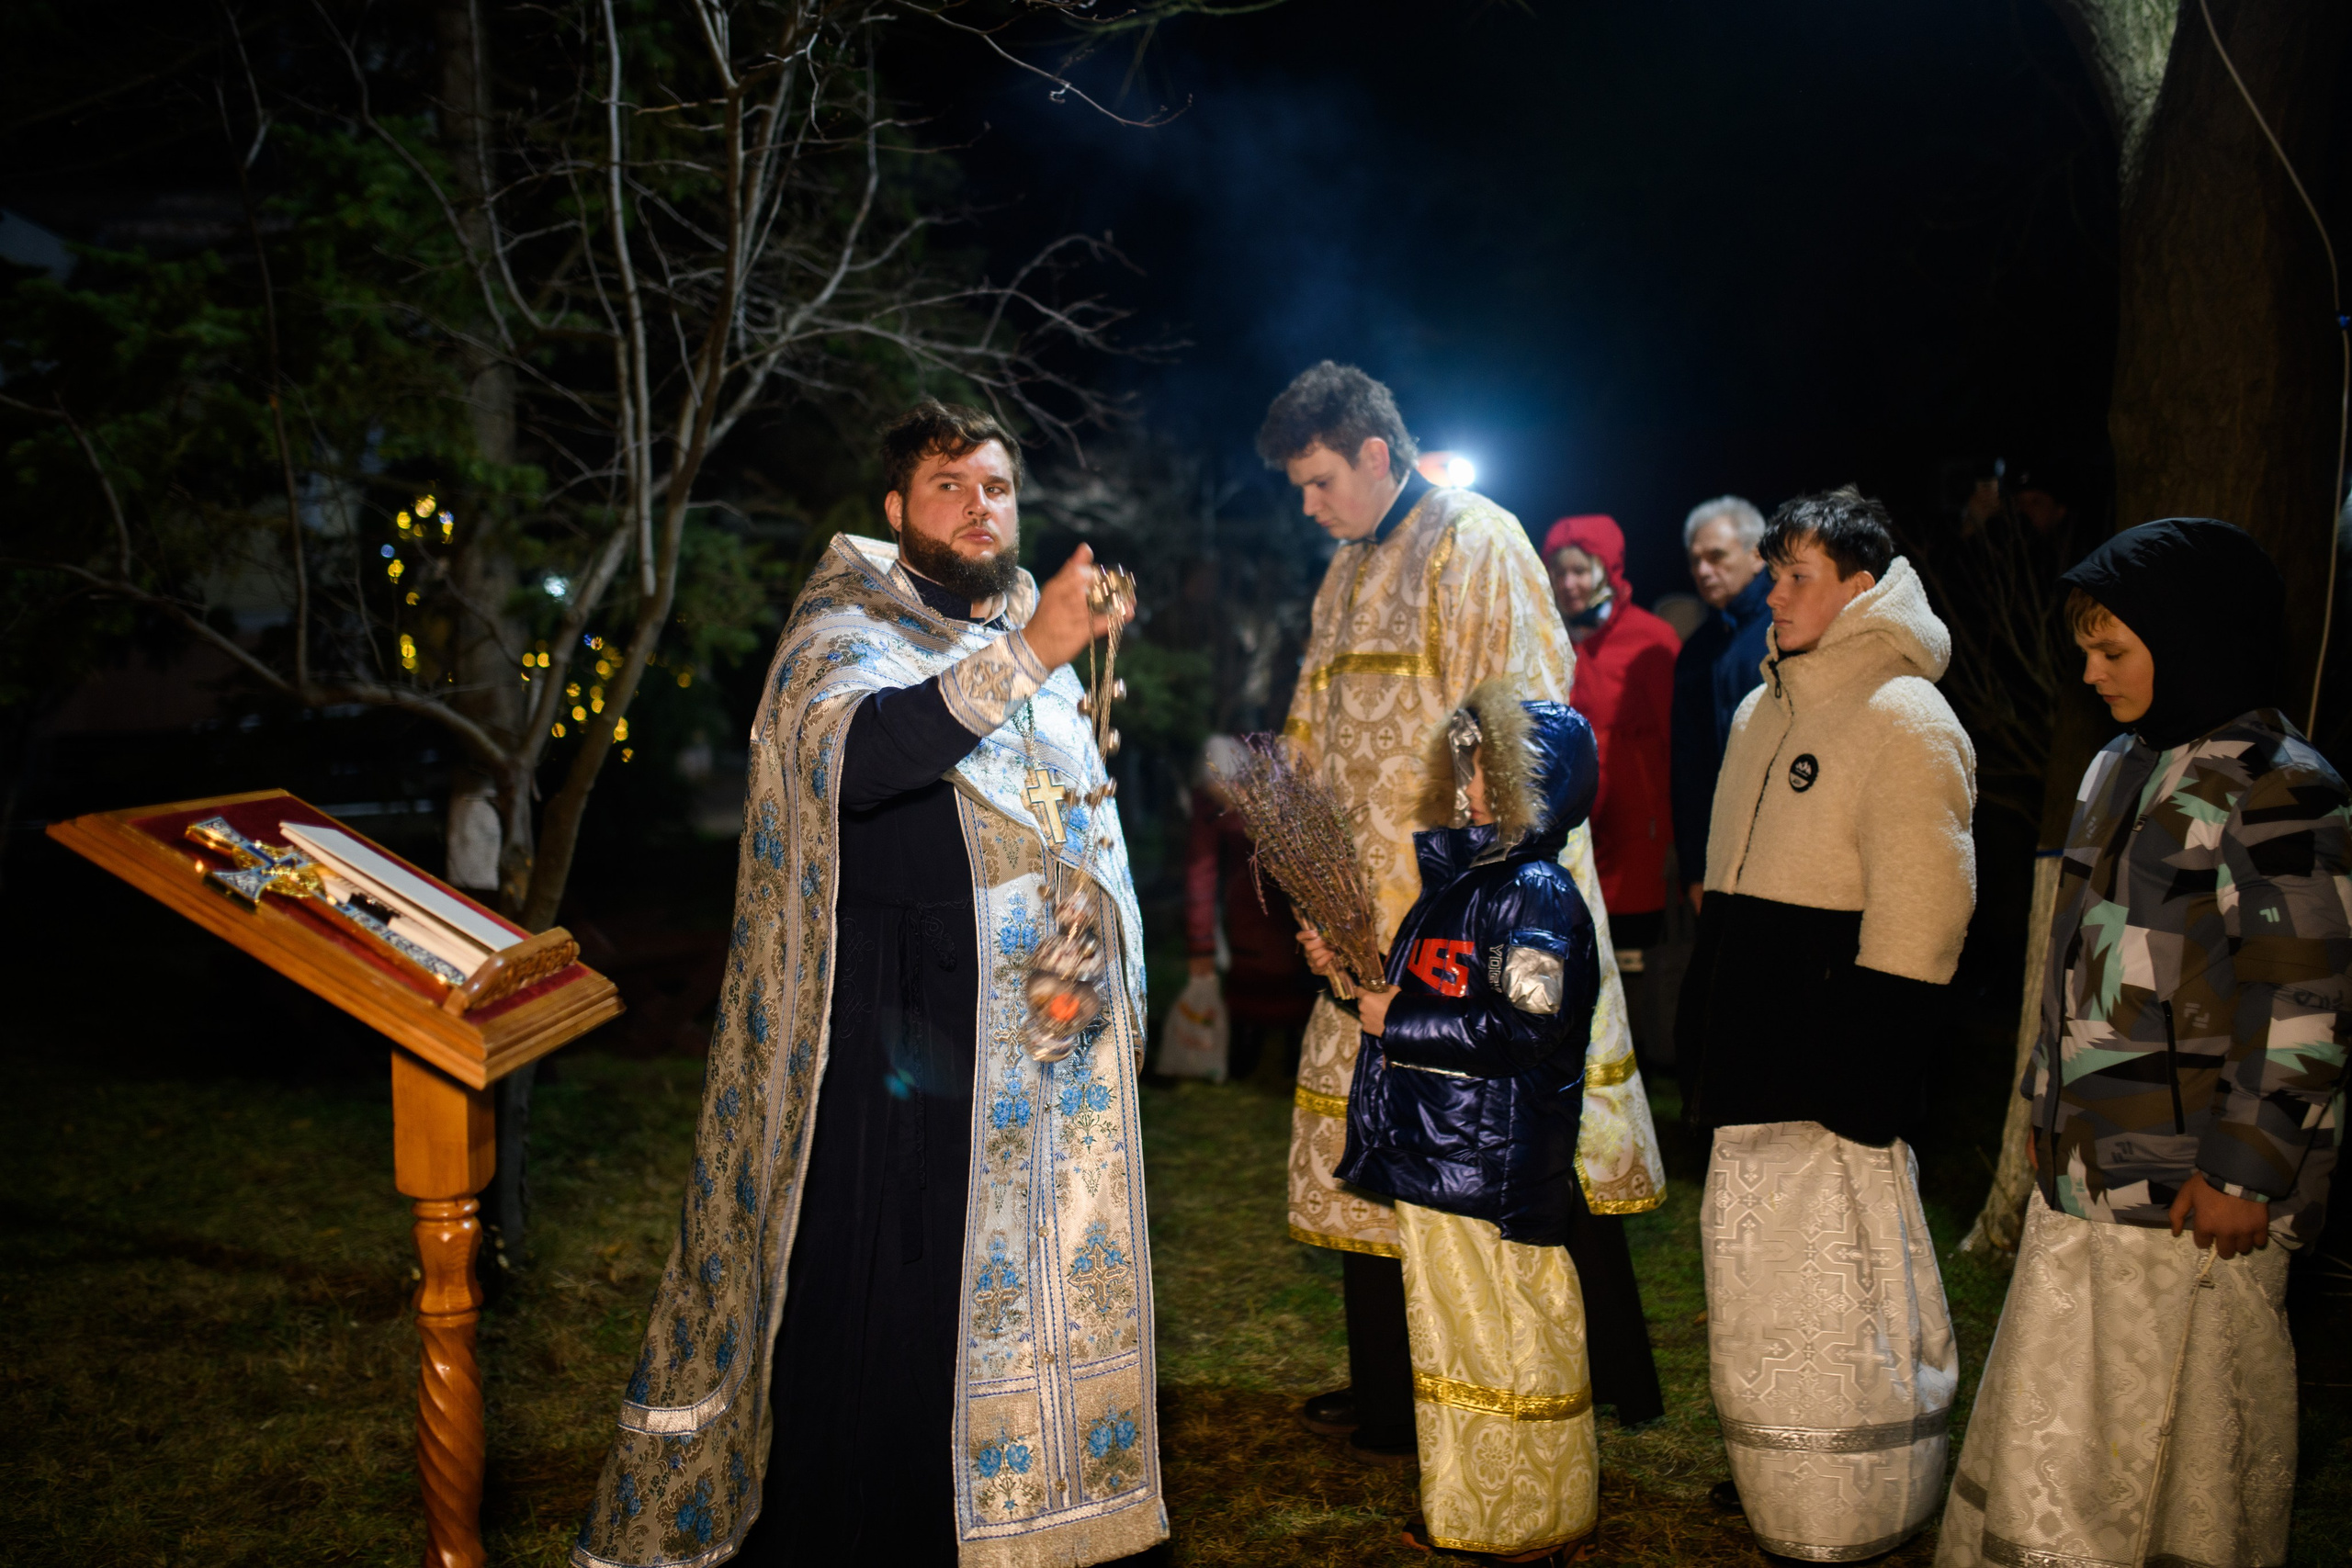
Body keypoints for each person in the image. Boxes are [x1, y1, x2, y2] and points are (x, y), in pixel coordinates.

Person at [572, 400, 1164, 1568]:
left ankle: (1019, 1517)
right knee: (894, 1296)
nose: (978, 506)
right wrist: (1034, 649)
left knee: (1019, 1296)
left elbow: (1075, 821)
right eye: (949, 486)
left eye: (995, 485)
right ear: (895, 511)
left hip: (1037, 1047)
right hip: (898, 1032)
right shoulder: (846, 629)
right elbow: (864, 762)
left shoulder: (1019, 626)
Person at [1259, 361, 1667, 1464]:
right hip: (1358, 922)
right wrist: (1306, 874)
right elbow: (1309, 731)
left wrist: (1469, 899)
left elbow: (1525, 728)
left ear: (1377, 455)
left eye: (1317, 480)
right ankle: (1393, 1395)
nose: (1309, 504)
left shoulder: (1473, 542)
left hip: (1455, 922)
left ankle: (1586, 1374)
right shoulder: (1344, 571)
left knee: (1507, 1151)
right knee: (1383, 1148)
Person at [1937, 519, 2349, 1568]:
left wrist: (2246, 1174)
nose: (2088, 672)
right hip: (2087, 1170)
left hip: (2192, 1200)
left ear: (2196, 639)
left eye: (2112, 650)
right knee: (2067, 1436)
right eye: (2085, 648)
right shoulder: (2118, 764)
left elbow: (2301, 1000)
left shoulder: (2282, 785)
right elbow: (2069, 963)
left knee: (2172, 1435)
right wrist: (2042, 1108)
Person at [1676, 486, 1976, 1562]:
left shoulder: (1903, 714)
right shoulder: (1765, 706)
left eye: (1799, 575)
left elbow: (1925, 908)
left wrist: (1874, 1066)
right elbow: (1732, 880)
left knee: (1835, 1284)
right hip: (1752, 1048)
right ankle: (1776, 1464)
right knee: (1758, 1284)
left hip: (1830, 1058)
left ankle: (1854, 1487)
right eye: (1773, 574)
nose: (1775, 594)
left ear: (1863, 585)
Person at [1313, 682, 1604, 1564]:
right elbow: (1423, 995)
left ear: (1533, 789)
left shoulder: (1538, 895)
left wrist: (1391, 1018)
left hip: (1494, 1164)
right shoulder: (1464, 887)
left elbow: (1526, 1025)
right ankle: (1475, 1503)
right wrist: (1350, 980)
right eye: (1469, 770)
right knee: (1454, 1345)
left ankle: (1528, 1516)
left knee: (1507, 1342)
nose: (1467, 788)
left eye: (1485, 775)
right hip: (1443, 1151)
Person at [1544, 514, 1682, 951]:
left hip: (1637, 838)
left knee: (1640, 971)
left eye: (1581, 571)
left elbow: (1676, 743)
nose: (1569, 584)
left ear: (1606, 571)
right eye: (1559, 571)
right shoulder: (1547, 639)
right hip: (1569, 837)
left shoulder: (1650, 639)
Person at [1182, 734, 1317, 1082]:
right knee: (1248, 970)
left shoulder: (1277, 790)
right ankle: (1242, 1052)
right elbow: (1201, 868)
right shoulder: (1207, 805)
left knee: (1291, 967)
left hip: (1286, 896)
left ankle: (1295, 1055)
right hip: (1243, 899)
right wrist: (1201, 941)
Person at [1668, 495, 1772, 915]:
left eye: (1716, 556)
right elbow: (1688, 769)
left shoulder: (1788, 629)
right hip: (1725, 858)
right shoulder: (1697, 651)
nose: (1703, 571)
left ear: (1757, 554)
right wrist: (1696, 869)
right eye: (1695, 561)